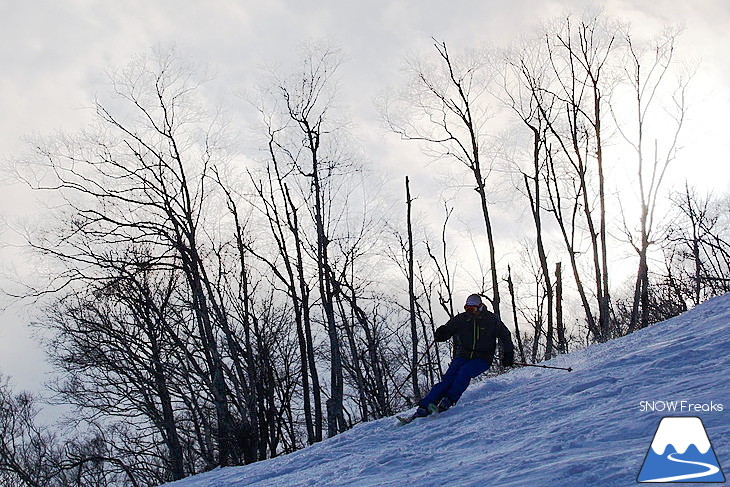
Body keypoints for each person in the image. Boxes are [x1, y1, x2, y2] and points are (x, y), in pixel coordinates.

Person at [411, 293, 515, 419]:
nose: (469, 312)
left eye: (472, 309)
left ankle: (448, 400)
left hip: (482, 358)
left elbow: (505, 335)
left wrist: (508, 353)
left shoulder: (491, 320)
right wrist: (442, 333)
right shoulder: (462, 319)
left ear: (480, 307)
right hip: (463, 355)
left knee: (464, 372)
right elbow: (448, 329)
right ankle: (424, 407)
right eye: (467, 308)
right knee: (448, 379)